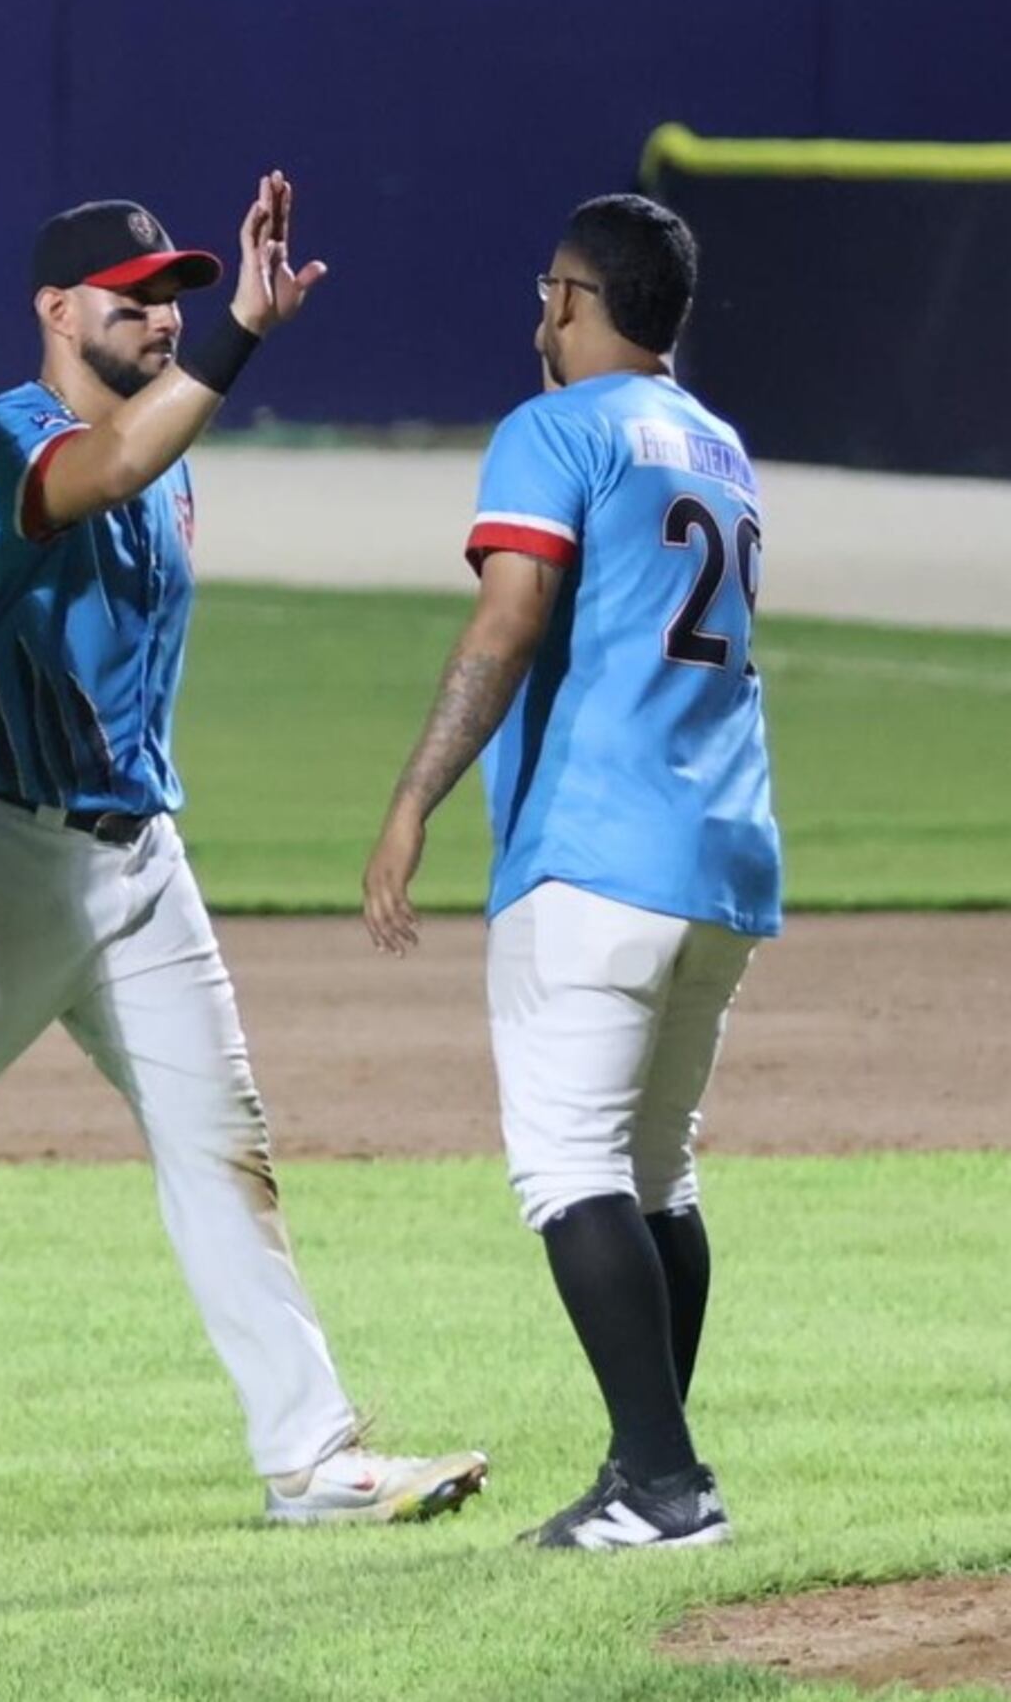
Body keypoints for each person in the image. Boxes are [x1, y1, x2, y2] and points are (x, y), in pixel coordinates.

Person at [0, 179, 489, 1525]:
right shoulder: (2, 440)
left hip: (140, 857)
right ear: (55, 308)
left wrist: (214, 358)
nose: (161, 315)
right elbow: (112, 465)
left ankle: (314, 1457)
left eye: (175, 297)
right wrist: (240, 340)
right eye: (132, 297)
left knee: (223, 1141)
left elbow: (151, 455)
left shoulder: (175, 445)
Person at [363, 194, 776, 1551]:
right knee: (660, 1173)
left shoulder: (553, 429)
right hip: (720, 848)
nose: (541, 313)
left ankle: (664, 1482)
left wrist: (414, 795)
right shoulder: (719, 444)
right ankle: (646, 1468)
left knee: (569, 1168)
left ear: (578, 302)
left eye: (552, 290)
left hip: (595, 850)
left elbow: (513, 610)